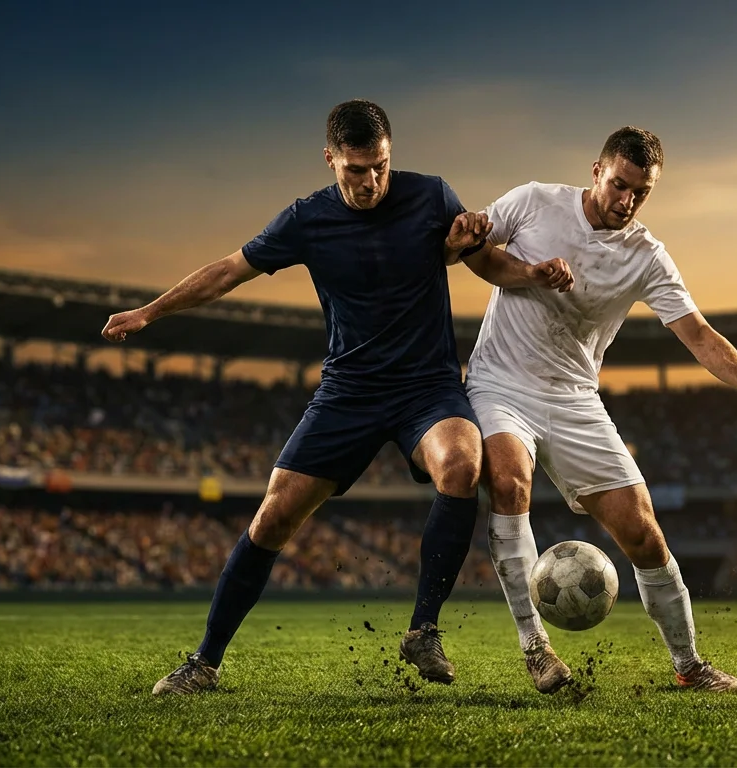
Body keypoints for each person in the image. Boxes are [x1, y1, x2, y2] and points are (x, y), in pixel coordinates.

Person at [101, 100, 573, 695]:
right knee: (273, 518)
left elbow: (485, 262)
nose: (371, 180)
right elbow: (227, 271)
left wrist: (532, 273)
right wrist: (151, 311)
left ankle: (423, 629)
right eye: (355, 169)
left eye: (379, 165)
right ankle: (205, 663)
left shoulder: (432, 197)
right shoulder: (305, 220)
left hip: (426, 387)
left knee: (463, 461)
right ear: (330, 160)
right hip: (347, 392)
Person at [466, 127, 737, 695]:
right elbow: (473, 250)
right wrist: (499, 255)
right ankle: (536, 649)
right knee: (510, 482)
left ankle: (690, 668)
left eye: (639, 193)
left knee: (644, 534)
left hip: (574, 399)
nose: (626, 200)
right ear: (596, 170)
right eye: (619, 184)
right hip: (501, 382)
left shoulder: (646, 255)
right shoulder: (534, 202)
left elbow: (696, 333)